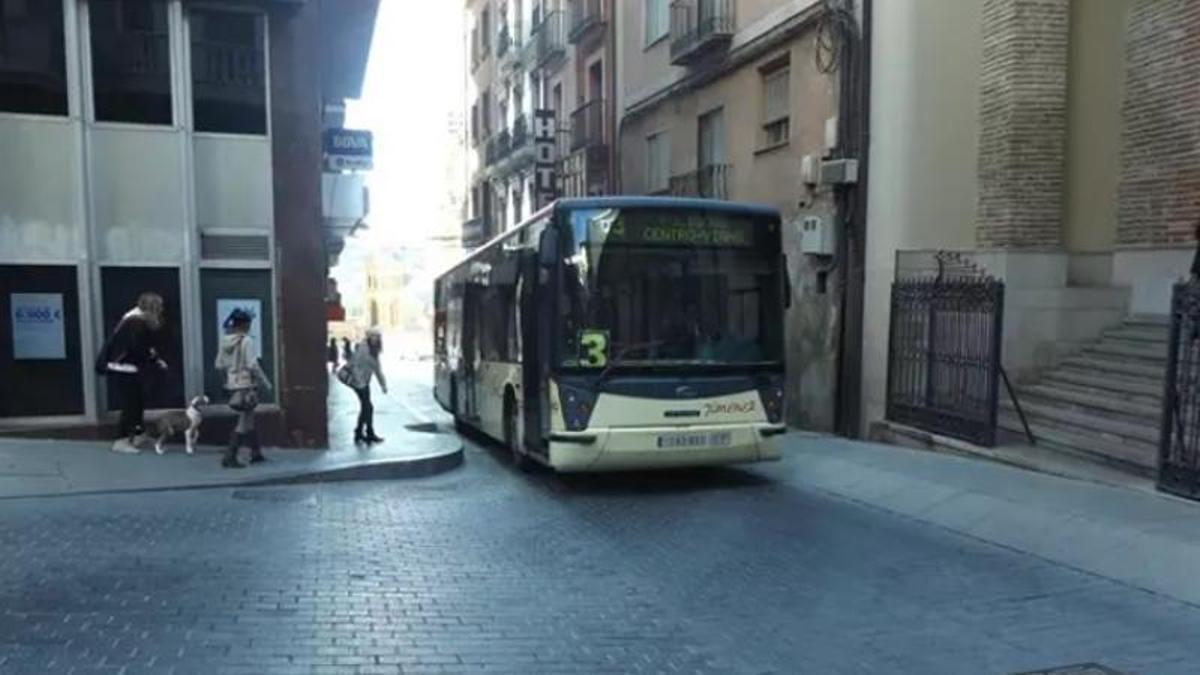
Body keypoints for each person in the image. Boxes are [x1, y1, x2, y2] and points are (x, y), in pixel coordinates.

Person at [103, 292, 168, 453]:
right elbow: (138, 348)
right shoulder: (136, 323)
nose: (162, 310)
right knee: (131, 404)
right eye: (159, 307)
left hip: (127, 367)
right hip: (125, 369)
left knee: (137, 402)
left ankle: (138, 434)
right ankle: (121, 440)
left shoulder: (133, 320)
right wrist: (153, 360)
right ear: (152, 308)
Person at [214, 308, 272, 468]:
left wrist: (228, 381)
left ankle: (256, 453)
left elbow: (218, 365)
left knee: (249, 419)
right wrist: (265, 383)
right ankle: (230, 456)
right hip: (246, 385)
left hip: (233, 385)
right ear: (245, 325)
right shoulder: (246, 341)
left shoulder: (225, 340)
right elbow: (252, 365)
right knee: (244, 420)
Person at [348, 328, 387, 444]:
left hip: (364, 382)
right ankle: (367, 433)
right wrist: (359, 382)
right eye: (373, 336)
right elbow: (355, 365)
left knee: (366, 407)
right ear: (368, 337)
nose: (375, 338)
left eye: (377, 336)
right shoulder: (363, 348)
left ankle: (359, 432)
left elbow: (377, 369)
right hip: (359, 382)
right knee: (368, 407)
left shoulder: (374, 350)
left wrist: (383, 385)